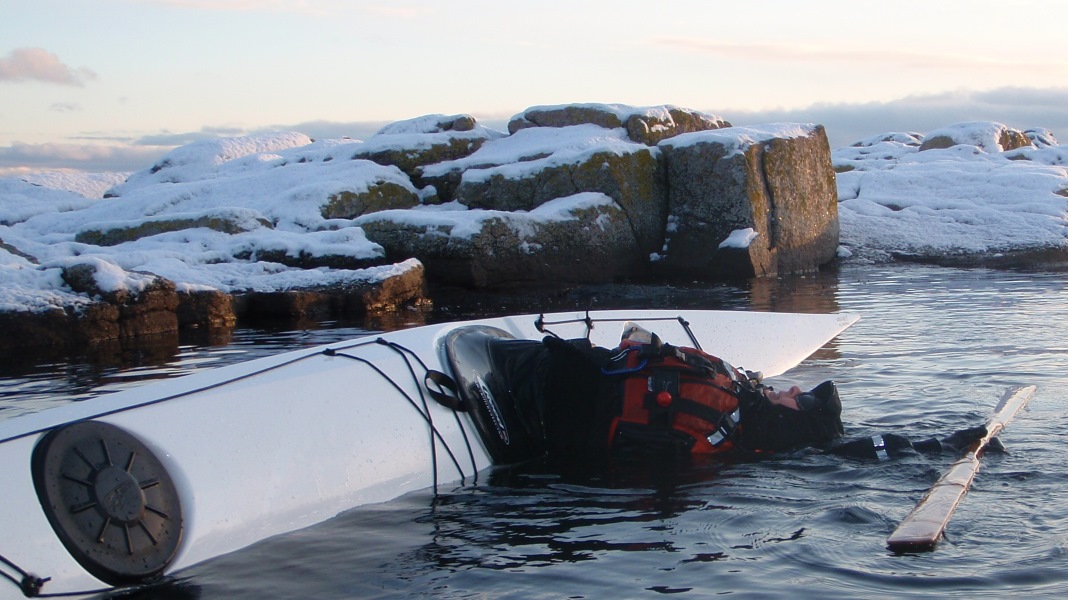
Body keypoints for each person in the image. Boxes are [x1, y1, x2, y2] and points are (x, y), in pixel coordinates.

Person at [496, 322, 985, 461]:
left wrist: (939, 445)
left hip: (542, 382)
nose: (793, 386)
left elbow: (860, 450)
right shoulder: (745, 418)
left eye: (801, 396)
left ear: (796, 417)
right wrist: (942, 441)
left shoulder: (752, 429)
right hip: (556, 404)